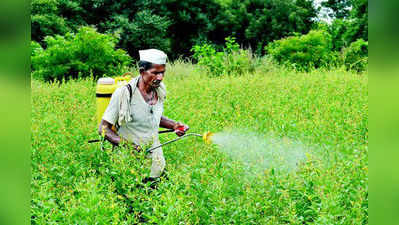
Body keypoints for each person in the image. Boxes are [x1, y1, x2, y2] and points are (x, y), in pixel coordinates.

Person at [98, 49, 189, 182]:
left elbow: (151, 117)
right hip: (130, 166)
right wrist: (127, 146)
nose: (160, 77)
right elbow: (103, 129)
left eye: (162, 72)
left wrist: (174, 125)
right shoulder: (124, 94)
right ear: (142, 71)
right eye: (155, 73)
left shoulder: (159, 90)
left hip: (156, 163)